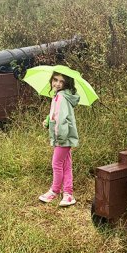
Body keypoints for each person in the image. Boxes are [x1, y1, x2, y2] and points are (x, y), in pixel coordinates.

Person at [39, 71, 80, 207]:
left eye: (61, 81)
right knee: (66, 164)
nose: (57, 83)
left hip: (63, 136)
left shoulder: (61, 96)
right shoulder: (61, 96)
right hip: (66, 135)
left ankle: (54, 191)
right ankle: (68, 194)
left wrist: (59, 139)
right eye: (55, 80)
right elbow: (55, 113)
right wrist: (47, 120)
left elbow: (62, 119)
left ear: (66, 83)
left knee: (56, 163)